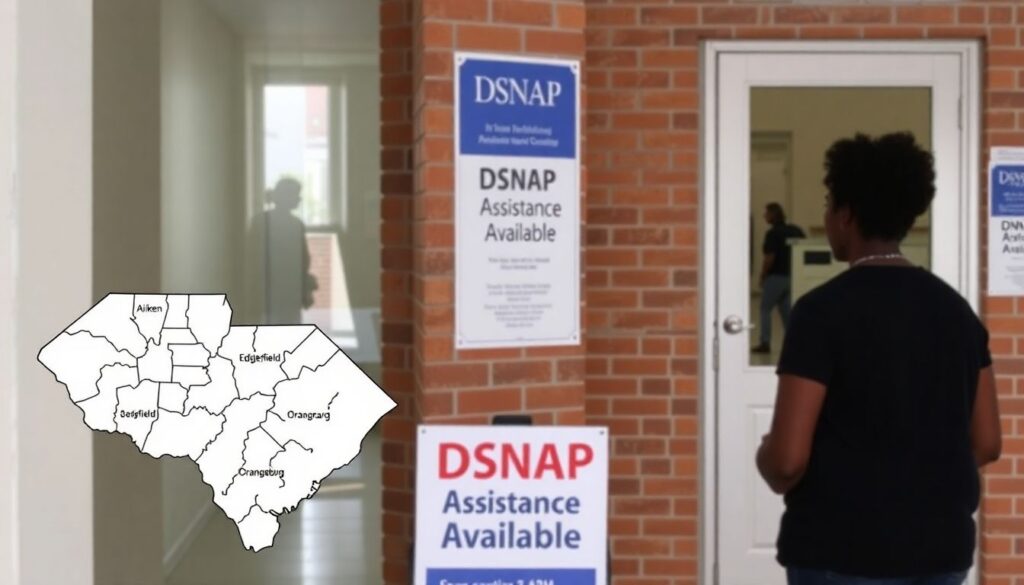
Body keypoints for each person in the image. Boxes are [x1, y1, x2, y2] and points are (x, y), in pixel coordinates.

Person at [755, 132, 1002, 585]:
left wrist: (764, 455)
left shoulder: (820, 313)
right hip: (940, 551)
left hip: (841, 551)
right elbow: (987, 443)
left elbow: (787, 461)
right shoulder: (957, 313)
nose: (827, 217)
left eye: (830, 203)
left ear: (846, 215)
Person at [753, 203, 805, 354]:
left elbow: (770, 257)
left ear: (773, 215)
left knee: (765, 309)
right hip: (794, 276)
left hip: (776, 276)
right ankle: (795, 343)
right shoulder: (796, 230)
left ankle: (765, 343)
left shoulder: (773, 233)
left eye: (766, 213)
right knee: (787, 311)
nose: (764, 216)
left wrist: (763, 275)